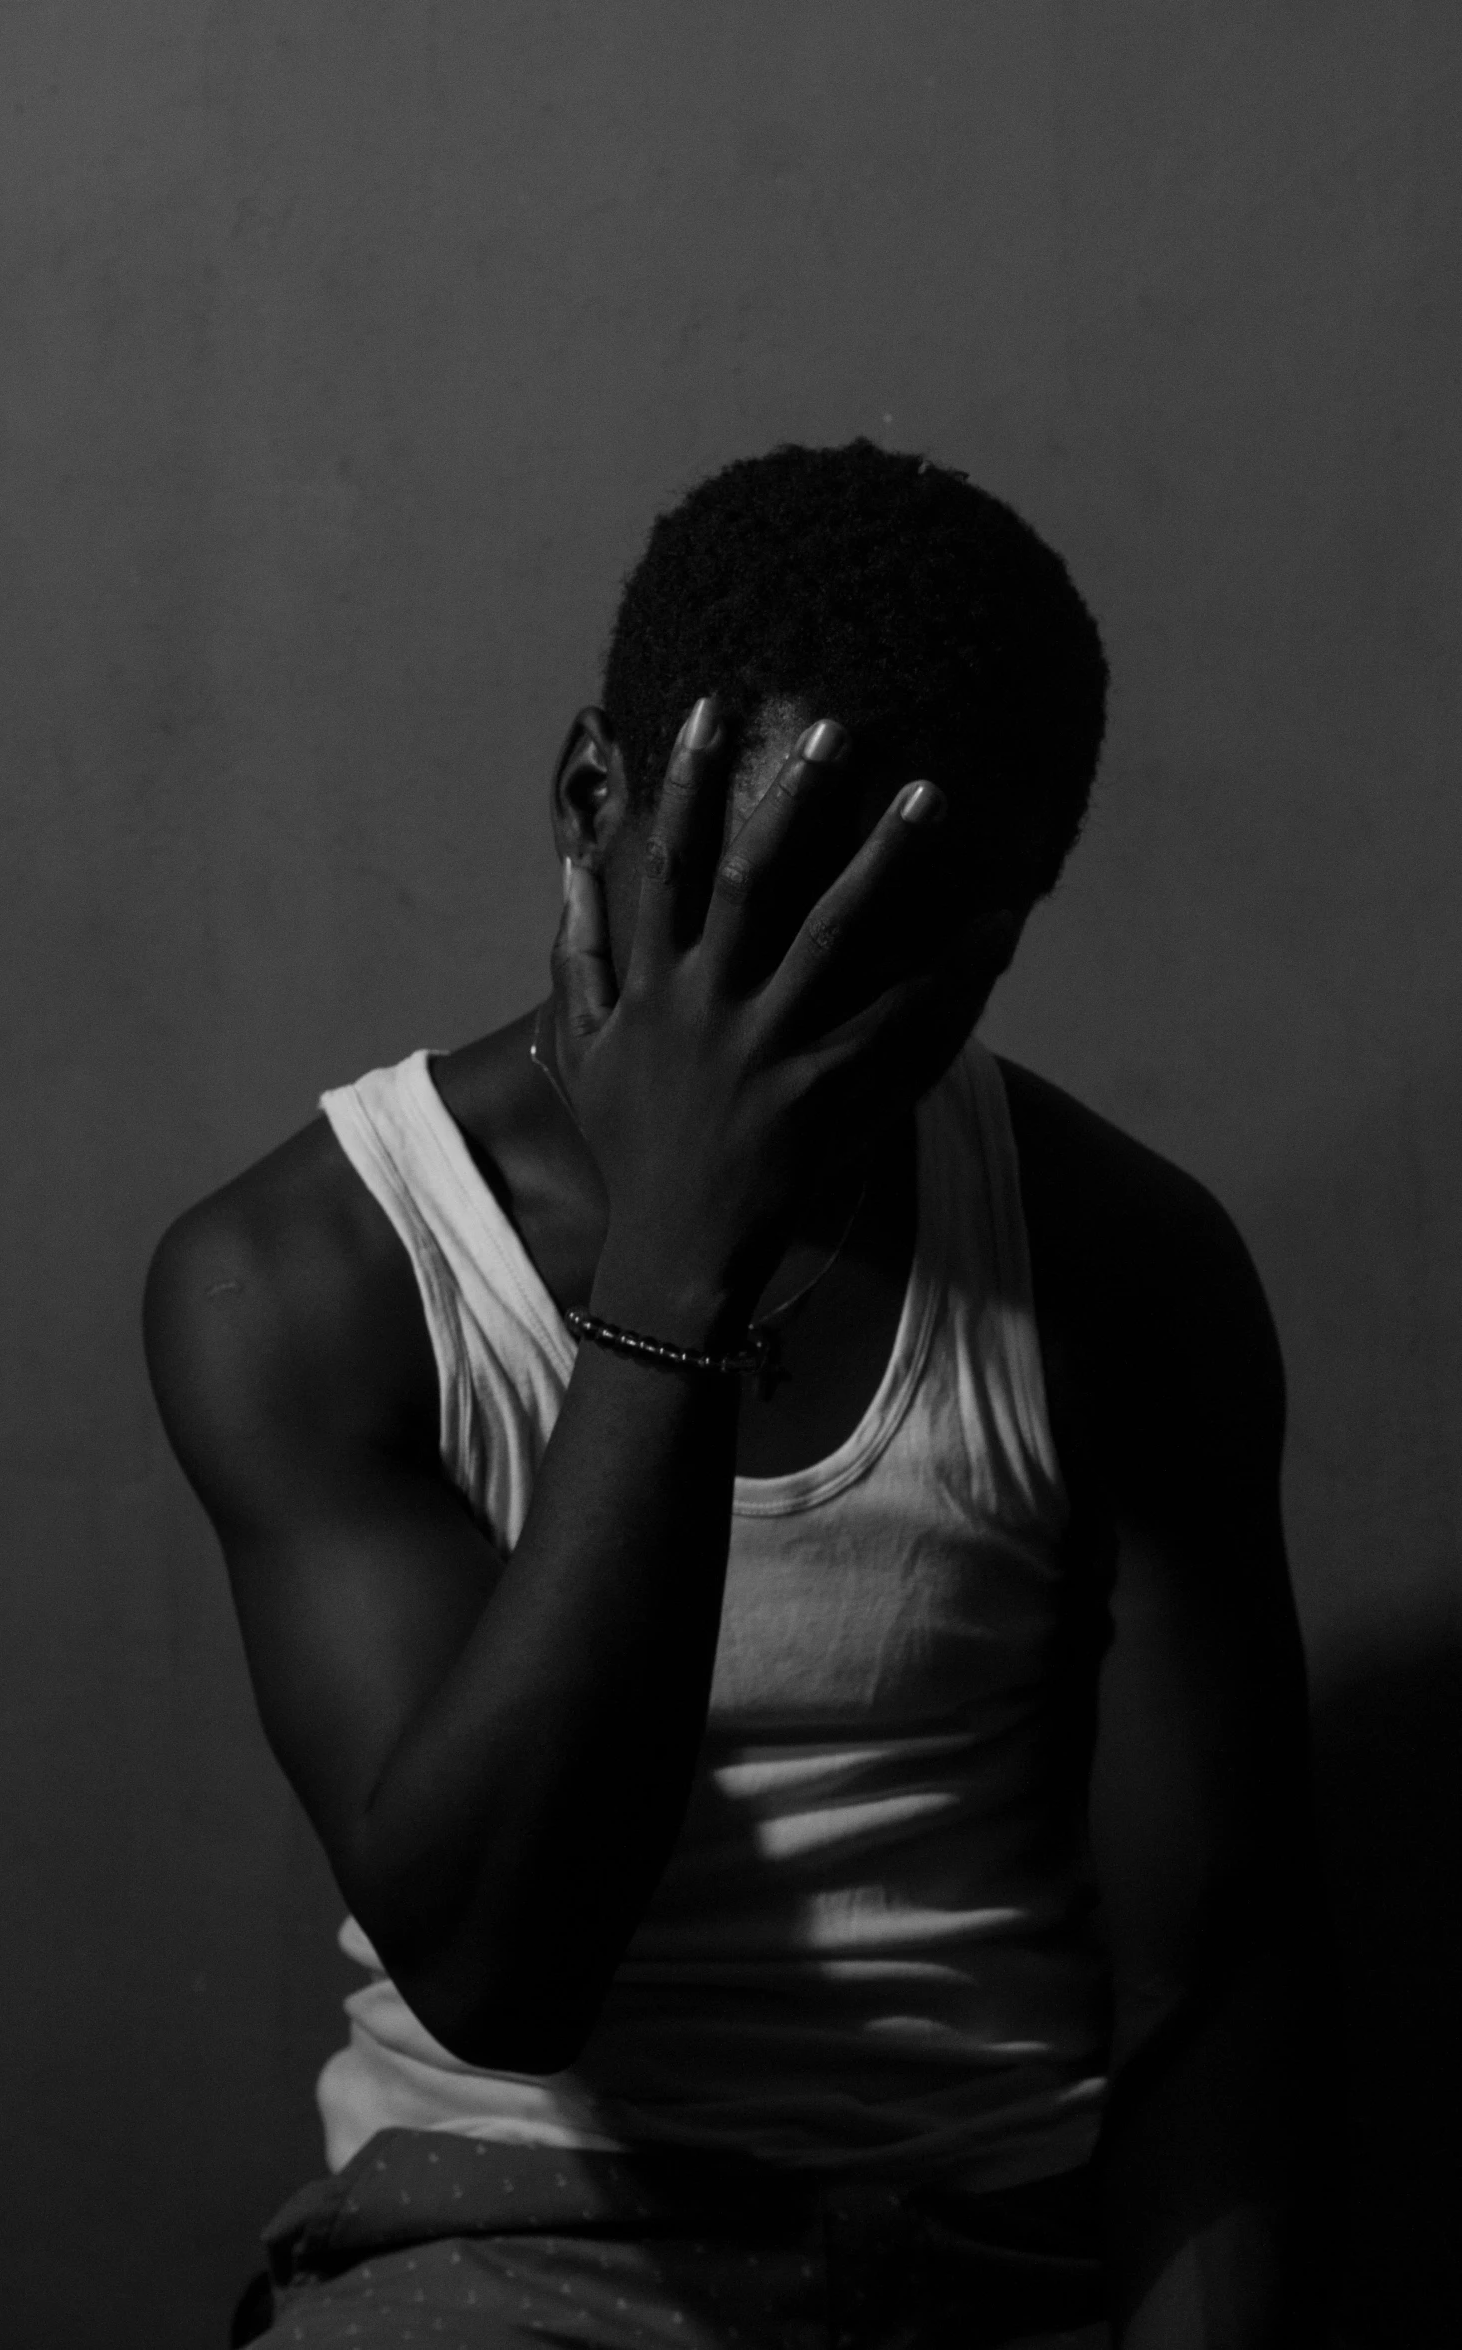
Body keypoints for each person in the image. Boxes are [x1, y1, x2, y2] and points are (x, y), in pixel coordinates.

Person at [144, 441, 1335, 2349]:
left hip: (992, 2251)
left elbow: (1213, 1988)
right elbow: (504, 1967)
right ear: (589, 794)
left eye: (918, 957)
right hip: (502, 2245)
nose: (818, 1025)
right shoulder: (307, 1277)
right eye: (769, 905)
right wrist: (673, 1270)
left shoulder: (1117, 1261)